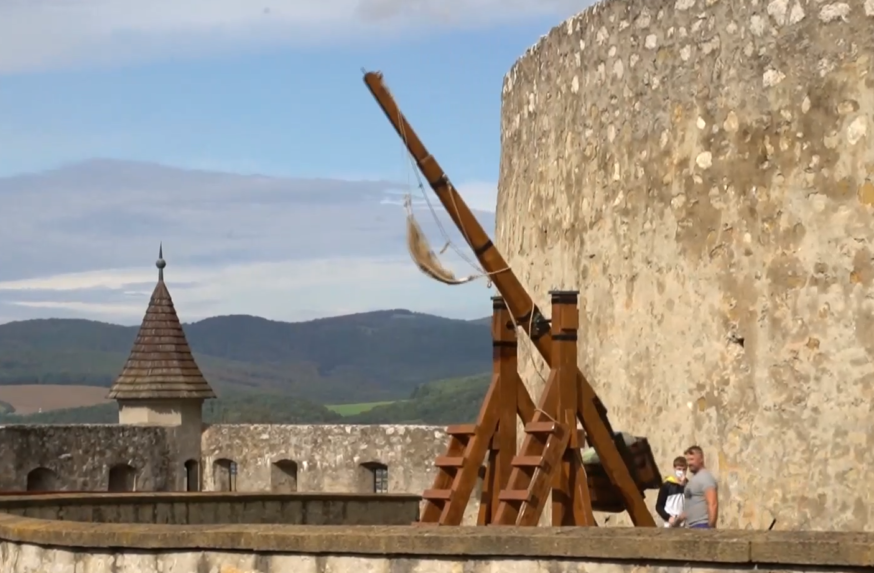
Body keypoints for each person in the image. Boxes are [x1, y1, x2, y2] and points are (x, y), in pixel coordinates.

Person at [675, 445, 718, 529]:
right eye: (687, 460)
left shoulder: (705, 477)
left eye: (692, 459)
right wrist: (675, 523)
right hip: (691, 527)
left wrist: (711, 528)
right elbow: (689, 507)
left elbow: (712, 503)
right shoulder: (693, 480)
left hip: (702, 525)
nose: (689, 463)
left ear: (701, 459)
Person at [655, 456, 687, 527]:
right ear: (674, 468)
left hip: (684, 524)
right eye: (679, 469)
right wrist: (668, 517)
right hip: (669, 523)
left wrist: (683, 485)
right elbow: (659, 506)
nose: (681, 472)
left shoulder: (689, 485)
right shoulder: (667, 485)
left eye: (684, 469)